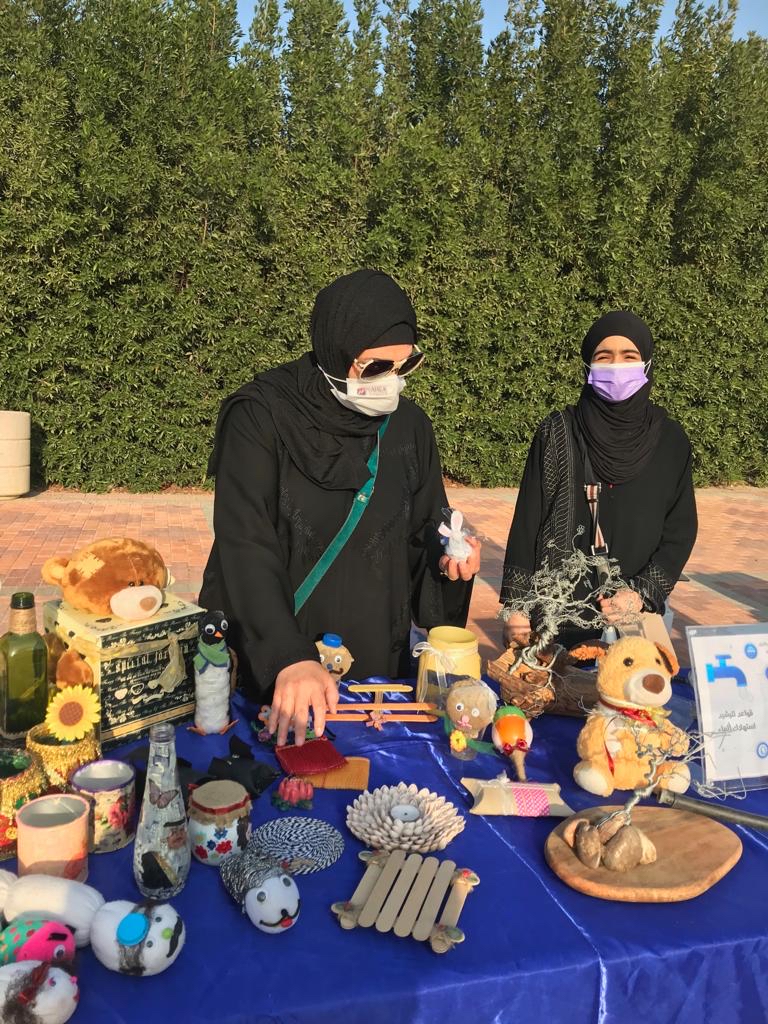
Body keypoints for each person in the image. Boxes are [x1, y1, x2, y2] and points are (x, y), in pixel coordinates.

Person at [201, 270, 481, 744]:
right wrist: (289, 657)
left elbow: (424, 529)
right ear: (336, 349)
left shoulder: (409, 427)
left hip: (375, 678)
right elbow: (245, 543)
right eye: (376, 367)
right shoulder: (261, 416)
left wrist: (449, 563)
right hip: (279, 671)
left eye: (405, 366)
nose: (391, 382)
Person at [501, 310, 697, 649]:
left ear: (646, 364)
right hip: (558, 614)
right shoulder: (557, 432)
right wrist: (517, 609)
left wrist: (640, 594)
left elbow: (680, 529)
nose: (616, 366)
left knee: (636, 683)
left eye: (629, 356)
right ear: (588, 366)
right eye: (604, 356)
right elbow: (527, 521)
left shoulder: (670, 440)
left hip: (634, 617)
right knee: (555, 683)